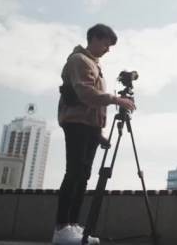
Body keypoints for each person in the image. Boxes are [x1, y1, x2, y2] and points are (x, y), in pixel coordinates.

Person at [52, 24, 136, 245]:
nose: (108, 49)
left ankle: (74, 226)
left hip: (87, 126)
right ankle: (61, 228)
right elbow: (86, 93)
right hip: (76, 124)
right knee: (74, 173)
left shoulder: (93, 63)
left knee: (83, 175)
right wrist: (117, 99)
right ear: (95, 39)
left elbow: (92, 103)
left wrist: (98, 133)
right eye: (107, 43)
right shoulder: (79, 60)